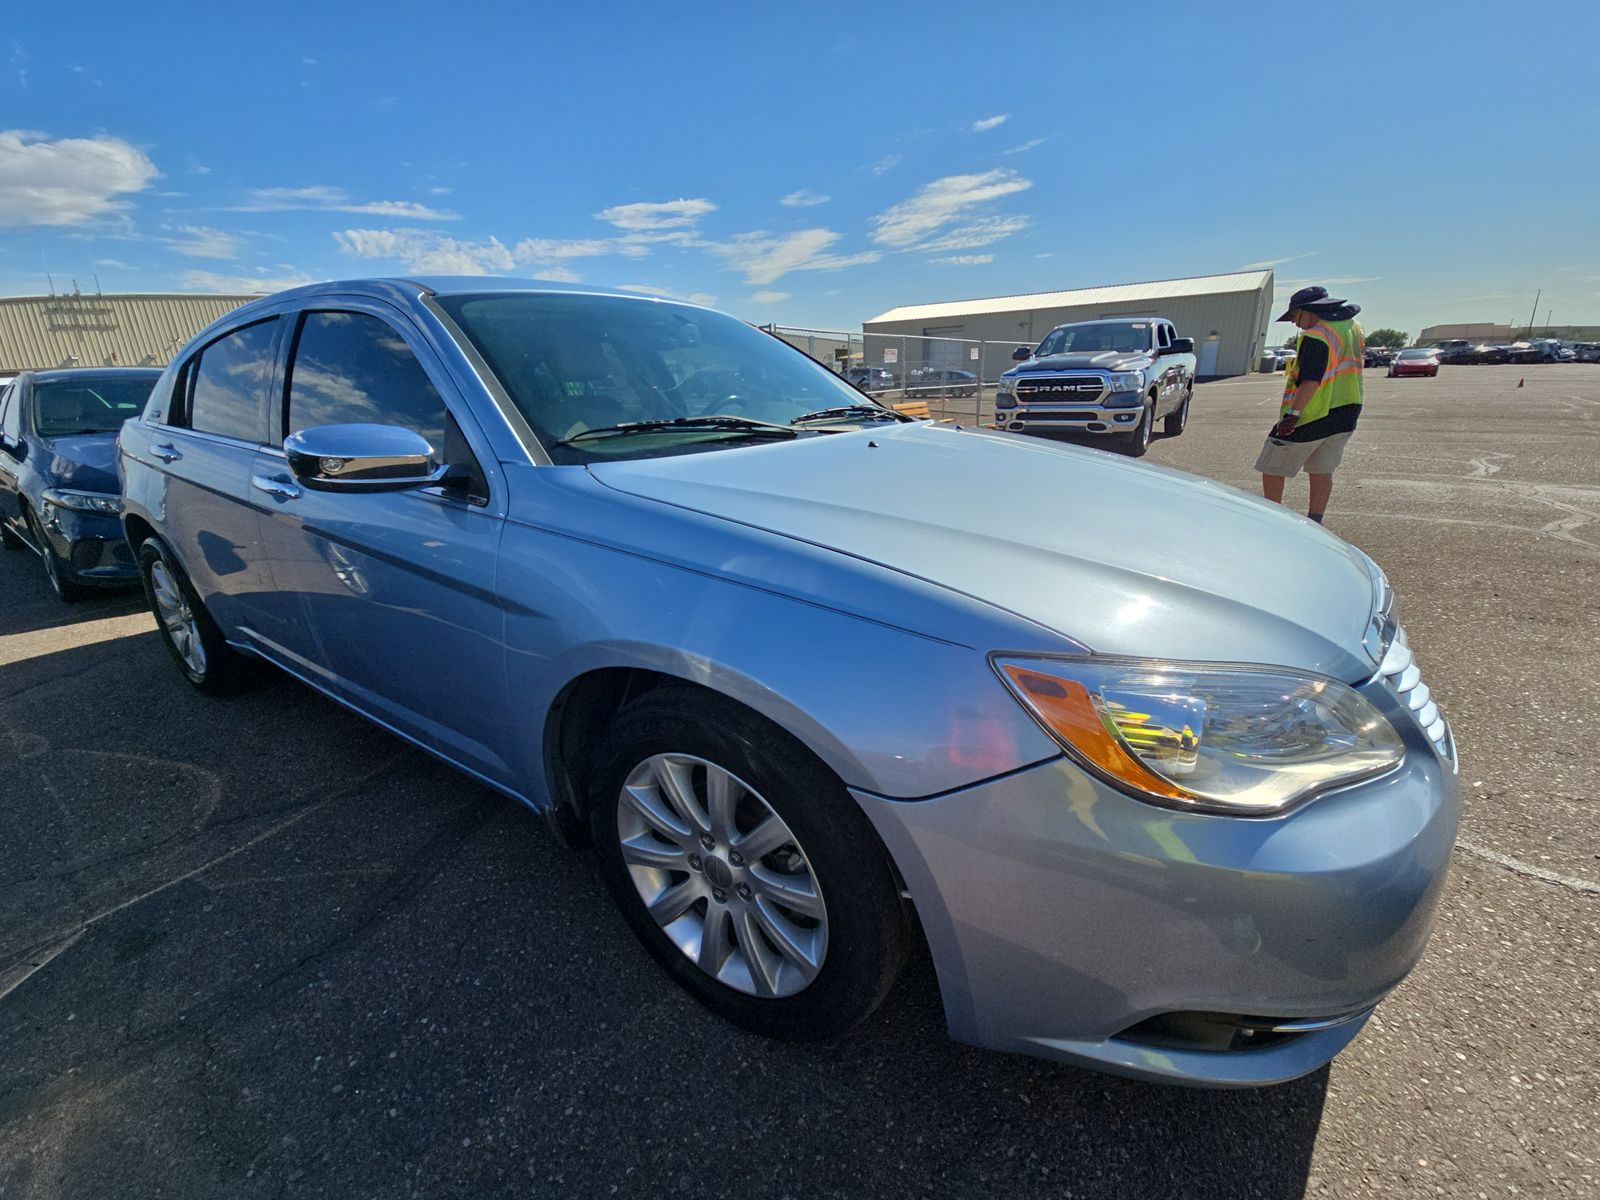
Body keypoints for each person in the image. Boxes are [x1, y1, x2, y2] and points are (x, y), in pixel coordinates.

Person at [1255, 285, 1365, 524]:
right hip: (1348, 410)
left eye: (1294, 316)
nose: (1294, 323)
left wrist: (1293, 415)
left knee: (1272, 464)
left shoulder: (1317, 335)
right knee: (1321, 470)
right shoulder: (1353, 328)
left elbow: (1311, 379)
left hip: (1315, 412)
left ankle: (1272, 519)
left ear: (1309, 310)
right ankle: (1316, 520)